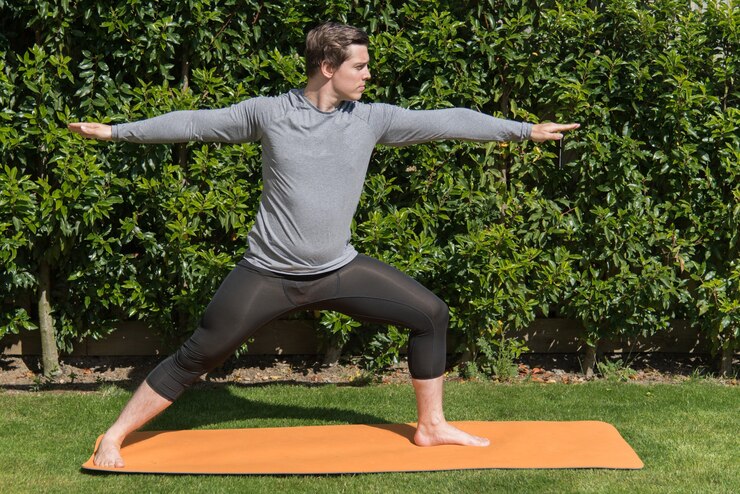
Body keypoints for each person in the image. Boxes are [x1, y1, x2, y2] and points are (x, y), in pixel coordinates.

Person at [69, 22, 579, 468]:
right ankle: (113, 435)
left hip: (337, 269)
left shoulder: (371, 119)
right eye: (360, 66)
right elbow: (196, 123)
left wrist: (523, 130)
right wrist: (116, 132)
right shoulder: (269, 114)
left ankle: (432, 426)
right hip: (266, 274)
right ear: (327, 65)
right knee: (197, 355)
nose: (368, 75)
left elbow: (449, 120)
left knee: (430, 315)